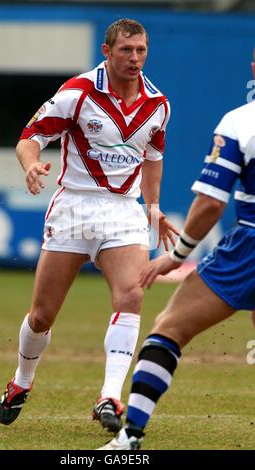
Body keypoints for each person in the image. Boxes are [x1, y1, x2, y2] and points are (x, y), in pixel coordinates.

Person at [0, 18, 178, 433]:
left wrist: (152, 207)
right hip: (75, 208)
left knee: (131, 296)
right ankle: (22, 381)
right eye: (126, 51)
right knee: (42, 316)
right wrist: (30, 166)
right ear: (106, 51)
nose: (135, 59)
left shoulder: (158, 104)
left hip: (122, 211)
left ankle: (110, 396)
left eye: (141, 50)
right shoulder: (77, 92)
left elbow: (152, 156)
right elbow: (30, 137)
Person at [99, 57, 255, 449]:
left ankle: (129, 437)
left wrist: (177, 253)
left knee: (168, 330)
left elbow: (210, 204)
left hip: (249, 249)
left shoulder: (240, 121)